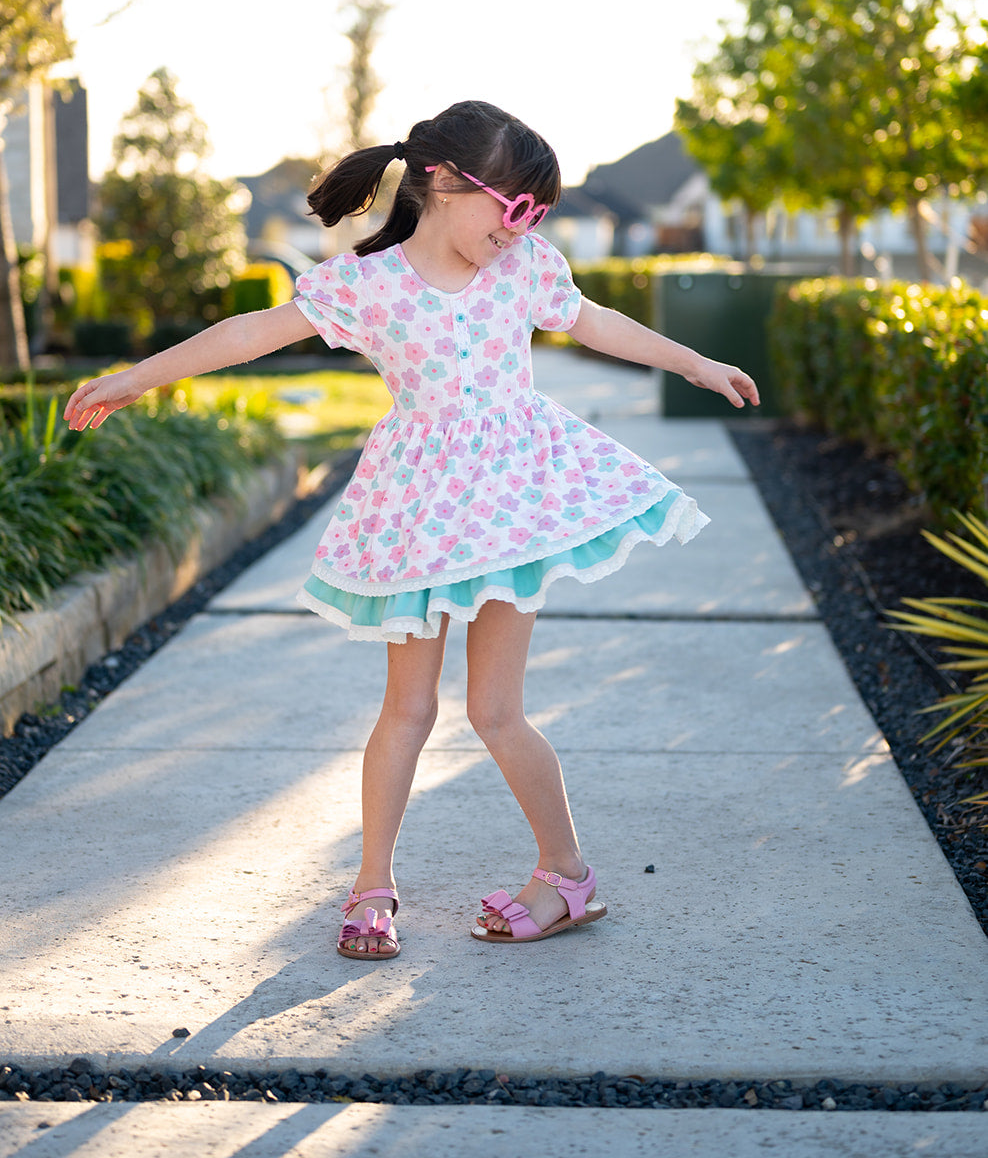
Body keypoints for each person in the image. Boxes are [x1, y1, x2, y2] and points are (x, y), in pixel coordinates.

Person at [65, 100, 758, 960]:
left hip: (511, 507)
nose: (521, 228)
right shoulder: (368, 283)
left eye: (537, 214)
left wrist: (695, 363)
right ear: (442, 181)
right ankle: (372, 886)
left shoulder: (525, 267)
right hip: (420, 512)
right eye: (512, 207)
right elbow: (251, 333)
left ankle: (567, 875)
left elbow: (594, 323)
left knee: (496, 711)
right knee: (408, 708)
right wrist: (137, 378)